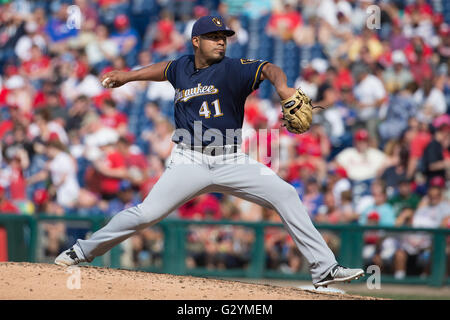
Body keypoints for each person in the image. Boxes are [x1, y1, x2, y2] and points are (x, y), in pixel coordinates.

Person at [55, 16, 364, 288]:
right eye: (214, 37)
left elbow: (270, 68)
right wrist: (129, 75)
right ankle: (82, 250)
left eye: (224, 38)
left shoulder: (233, 70)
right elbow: (164, 69)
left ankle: (324, 269)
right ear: (196, 41)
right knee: (146, 214)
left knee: (285, 194)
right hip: (189, 159)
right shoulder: (182, 68)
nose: (221, 42)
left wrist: (283, 89)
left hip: (231, 158)